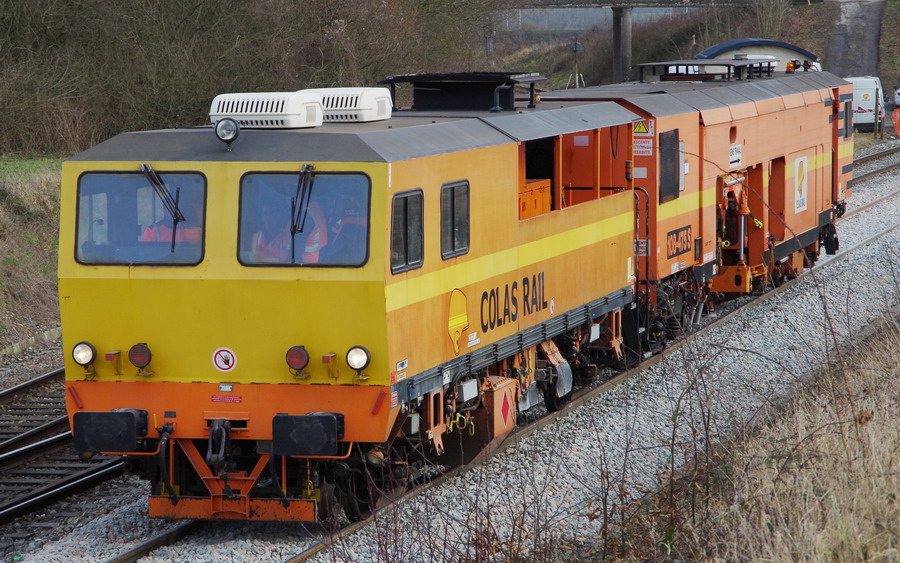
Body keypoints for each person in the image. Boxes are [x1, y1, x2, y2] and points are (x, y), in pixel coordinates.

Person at [249, 198, 327, 263]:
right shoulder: (309, 211)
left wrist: (286, 268)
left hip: (300, 269)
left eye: (273, 214)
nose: (288, 200)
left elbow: (295, 256)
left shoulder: (304, 216)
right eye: (266, 213)